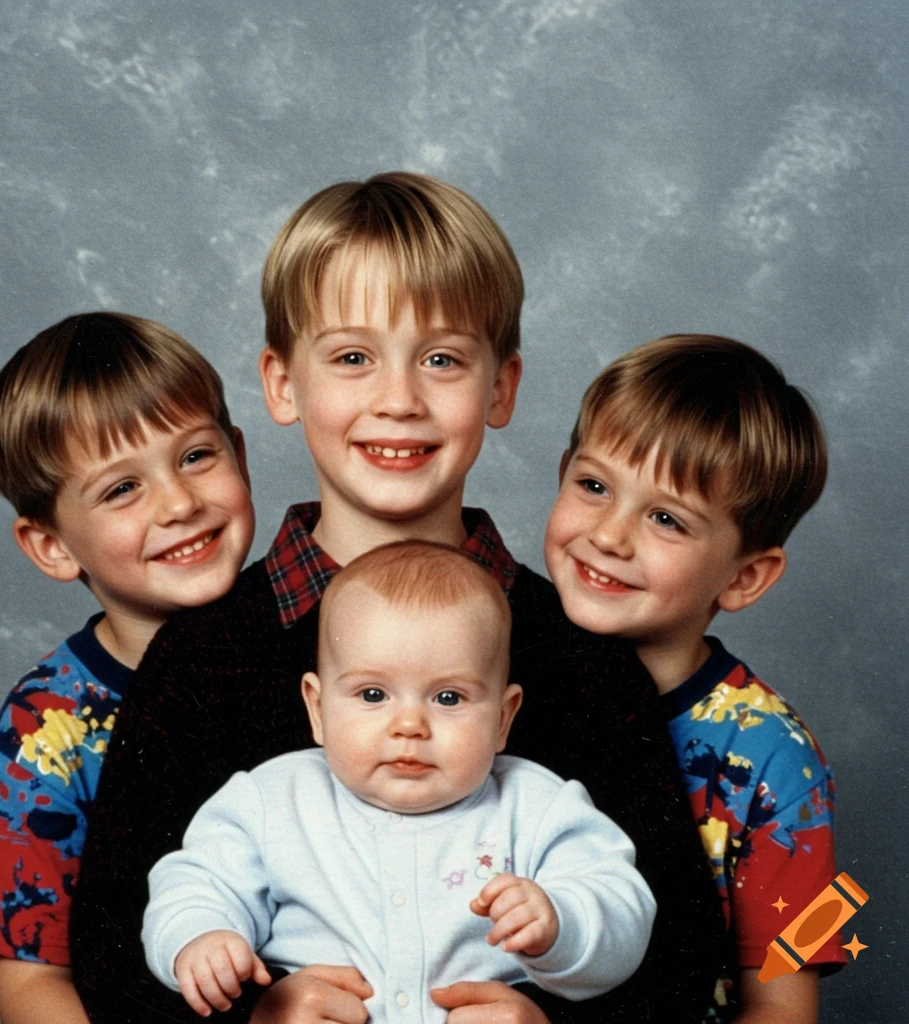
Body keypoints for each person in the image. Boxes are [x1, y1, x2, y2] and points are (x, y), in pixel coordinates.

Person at [72, 173, 722, 1024]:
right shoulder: (203, 656)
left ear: (501, 387)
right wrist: (253, 1014)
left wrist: (549, 1023)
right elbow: (114, 948)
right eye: (351, 357)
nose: (399, 399)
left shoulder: (581, 659)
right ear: (281, 383)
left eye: (443, 359)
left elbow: (682, 957)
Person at [143, 541, 656, 1021]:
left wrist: (560, 922)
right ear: (317, 709)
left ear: (503, 718)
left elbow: (622, 906)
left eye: (448, 698)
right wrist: (201, 937)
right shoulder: (271, 800)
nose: (409, 725)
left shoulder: (537, 807)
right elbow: (195, 883)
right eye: (372, 695)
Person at [0, 313, 255, 1024]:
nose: (179, 503)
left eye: (197, 457)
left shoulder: (318, 641)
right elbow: (32, 979)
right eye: (120, 490)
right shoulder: (44, 726)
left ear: (241, 455)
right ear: (50, 546)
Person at [544, 334, 842, 1024]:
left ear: (745, 577)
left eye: (665, 519)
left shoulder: (781, 760)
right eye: (592, 486)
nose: (610, 535)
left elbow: (784, 1007)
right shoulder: (500, 664)